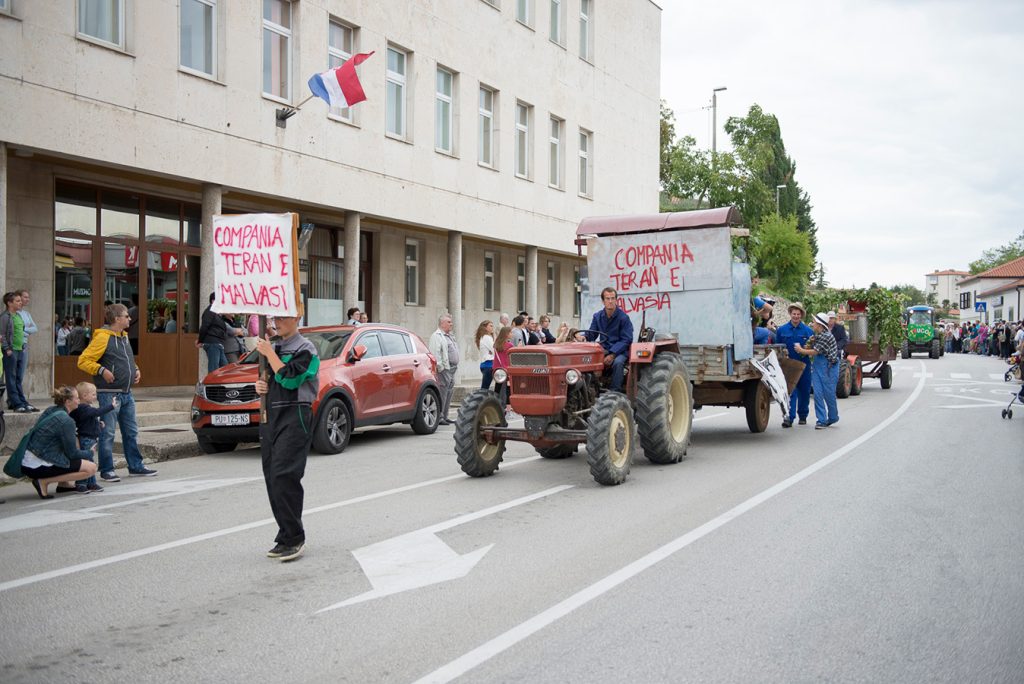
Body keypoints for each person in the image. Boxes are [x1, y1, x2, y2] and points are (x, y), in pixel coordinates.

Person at [254, 313, 320, 563]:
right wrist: (261, 385)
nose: (276, 322)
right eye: (275, 318)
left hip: (296, 415)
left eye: (282, 317)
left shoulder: (306, 349)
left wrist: (270, 353)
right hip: (272, 416)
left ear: (297, 317)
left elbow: (291, 379)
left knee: (285, 475)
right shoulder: (275, 347)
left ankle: (295, 537)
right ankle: (285, 534)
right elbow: (271, 378)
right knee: (272, 477)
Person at [77, 303, 158, 481]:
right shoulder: (102, 337)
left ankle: (135, 466)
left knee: (131, 431)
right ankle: (107, 469)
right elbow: (83, 360)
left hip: (127, 393)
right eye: (126, 316)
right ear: (116, 319)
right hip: (109, 393)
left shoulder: (124, 337)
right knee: (108, 433)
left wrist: (136, 369)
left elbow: (126, 359)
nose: (130, 318)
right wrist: (102, 371)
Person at [20, 386, 99, 499]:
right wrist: (89, 452)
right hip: (38, 466)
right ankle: (43, 481)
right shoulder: (66, 421)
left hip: (28, 462)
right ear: (68, 402)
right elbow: (72, 453)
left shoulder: (51, 410)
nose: (79, 400)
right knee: (91, 468)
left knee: (71, 446)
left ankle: (63, 484)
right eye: (77, 398)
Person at [70, 381, 117, 493]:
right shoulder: (83, 408)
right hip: (86, 439)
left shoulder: (85, 409)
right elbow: (96, 412)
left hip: (89, 439)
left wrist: (98, 425)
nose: (95, 397)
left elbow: (87, 421)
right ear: (84, 395)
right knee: (87, 462)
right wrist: (111, 406)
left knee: (90, 461)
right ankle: (81, 483)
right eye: (93, 394)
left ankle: (91, 483)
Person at [795, 312, 840, 429]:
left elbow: (815, 351)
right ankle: (821, 420)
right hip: (818, 367)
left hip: (829, 368)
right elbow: (811, 346)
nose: (812, 324)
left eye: (814, 322)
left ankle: (833, 417)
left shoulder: (827, 336)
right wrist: (807, 344)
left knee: (829, 394)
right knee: (818, 394)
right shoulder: (817, 336)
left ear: (820, 325)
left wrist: (801, 350)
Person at [585, 287, 634, 392]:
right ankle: (591, 388)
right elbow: (591, 335)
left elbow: (626, 339)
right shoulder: (597, 316)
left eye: (612, 298)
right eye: (607, 298)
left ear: (616, 300)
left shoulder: (623, 318)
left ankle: (615, 391)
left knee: (618, 363)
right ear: (603, 301)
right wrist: (583, 337)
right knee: (587, 359)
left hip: (620, 351)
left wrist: (612, 355)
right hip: (604, 349)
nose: (610, 301)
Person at [775, 302, 813, 427]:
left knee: (804, 391)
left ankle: (803, 415)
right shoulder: (781, 330)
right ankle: (788, 418)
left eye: (798, 314)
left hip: (804, 366)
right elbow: (777, 347)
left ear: (801, 315)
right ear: (790, 314)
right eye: (794, 314)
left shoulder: (808, 331)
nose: (796, 316)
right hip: (789, 366)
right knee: (790, 392)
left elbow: (813, 348)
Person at [1, 292, 35, 412]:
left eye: (21, 300)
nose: (21, 303)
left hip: (21, 349)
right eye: (18, 301)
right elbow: (2, 335)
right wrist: (7, 349)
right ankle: (16, 403)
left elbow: (23, 331)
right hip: (12, 351)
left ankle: (22, 401)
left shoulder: (18, 316)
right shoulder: (5, 317)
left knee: (18, 378)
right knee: (11, 377)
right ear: (9, 303)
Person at [429, 314, 459, 425]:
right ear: (442, 323)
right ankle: (440, 416)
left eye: (451, 322)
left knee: (449, 392)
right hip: (445, 369)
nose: (451, 324)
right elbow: (435, 353)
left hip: (452, 368)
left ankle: (445, 416)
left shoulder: (449, 336)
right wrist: (440, 368)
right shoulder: (436, 336)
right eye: (449, 322)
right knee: (443, 392)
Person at [198, 292, 240, 373]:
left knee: (224, 367)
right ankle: (211, 381)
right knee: (214, 368)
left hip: (218, 343)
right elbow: (204, 327)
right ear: (213, 301)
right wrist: (200, 340)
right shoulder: (210, 311)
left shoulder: (216, 313)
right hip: (212, 343)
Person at [492, 325, 514, 412]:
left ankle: (495, 406)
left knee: (497, 388)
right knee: (508, 389)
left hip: (497, 369)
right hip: (507, 369)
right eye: (510, 332)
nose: (512, 334)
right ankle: (508, 408)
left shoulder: (496, 344)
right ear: (506, 334)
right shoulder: (510, 345)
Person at [475, 320, 495, 390]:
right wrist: (492, 352)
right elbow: (495, 350)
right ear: (485, 328)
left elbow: (492, 350)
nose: (492, 328)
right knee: (484, 388)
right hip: (488, 364)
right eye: (490, 326)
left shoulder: (486, 337)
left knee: (485, 387)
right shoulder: (486, 337)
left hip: (487, 364)